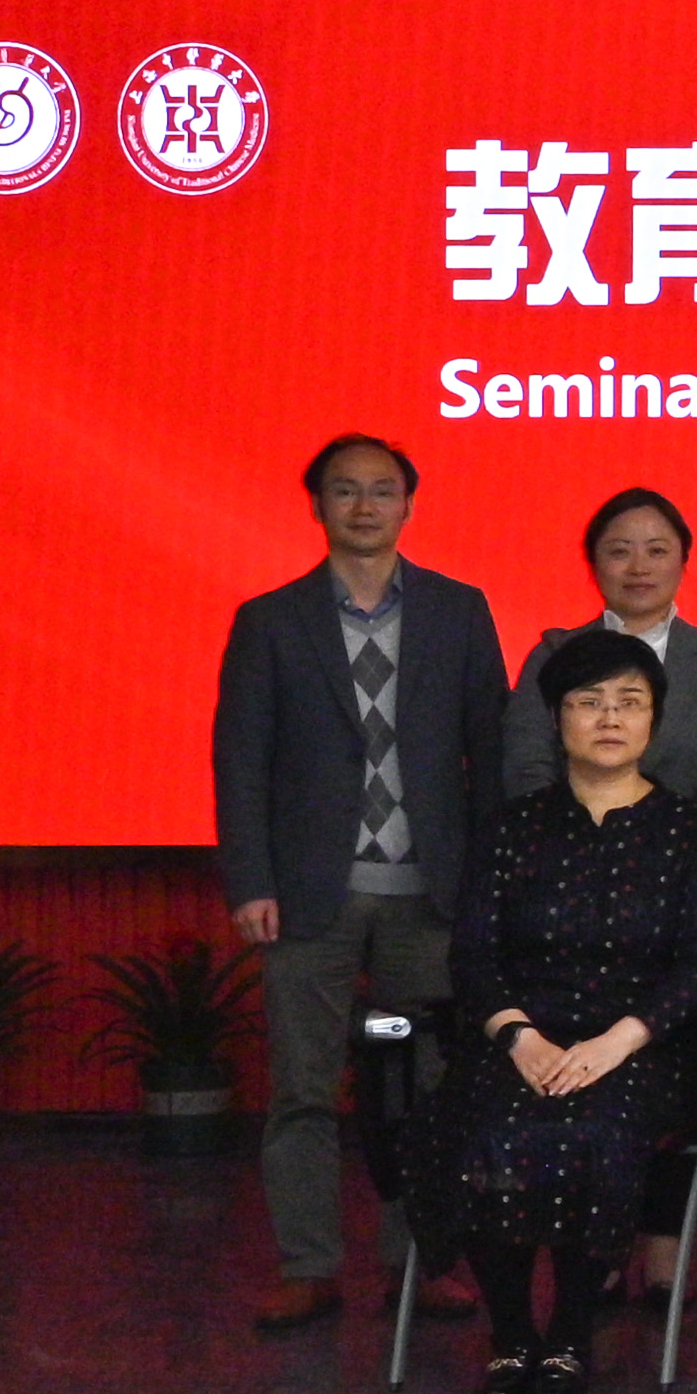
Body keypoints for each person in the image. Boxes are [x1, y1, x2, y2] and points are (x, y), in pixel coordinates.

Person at [215, 434, 502, 1330]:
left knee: (432, 1091)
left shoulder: (459, 610)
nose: (365, 506)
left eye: (382, 490)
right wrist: (250, 879)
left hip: (433, 893)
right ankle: (308, 1266)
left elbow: (490, 754)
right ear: (317, 505)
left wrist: (491, 881)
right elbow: (240, 760)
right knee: (302, 1089)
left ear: (409, 504)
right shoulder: (270, 619)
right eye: (346, 491)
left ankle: (424, 1263)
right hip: (309, 892)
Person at [426, 623, 697, 1394]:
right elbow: (474, 955)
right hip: (520, 1041)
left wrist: (615, 1043)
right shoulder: (511, 827)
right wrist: (519, 1038)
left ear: (654, 720)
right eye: (589, 701)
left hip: (644, 1048)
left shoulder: (693, 833)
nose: (609, 717)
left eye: (629, 702)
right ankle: (511, 1338)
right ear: (557, 717)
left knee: (593, 1127)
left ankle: (569, 1336)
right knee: (482, 1126)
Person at [503, 489, 697, 826]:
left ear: (683, 562)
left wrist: (678, 836)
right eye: (619, 552)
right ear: (592, 562)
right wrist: (578, 835)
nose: (639, 568)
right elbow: (526, 765)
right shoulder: (554, 653)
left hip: (684, 847)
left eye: (657, 551)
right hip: (563, 845)